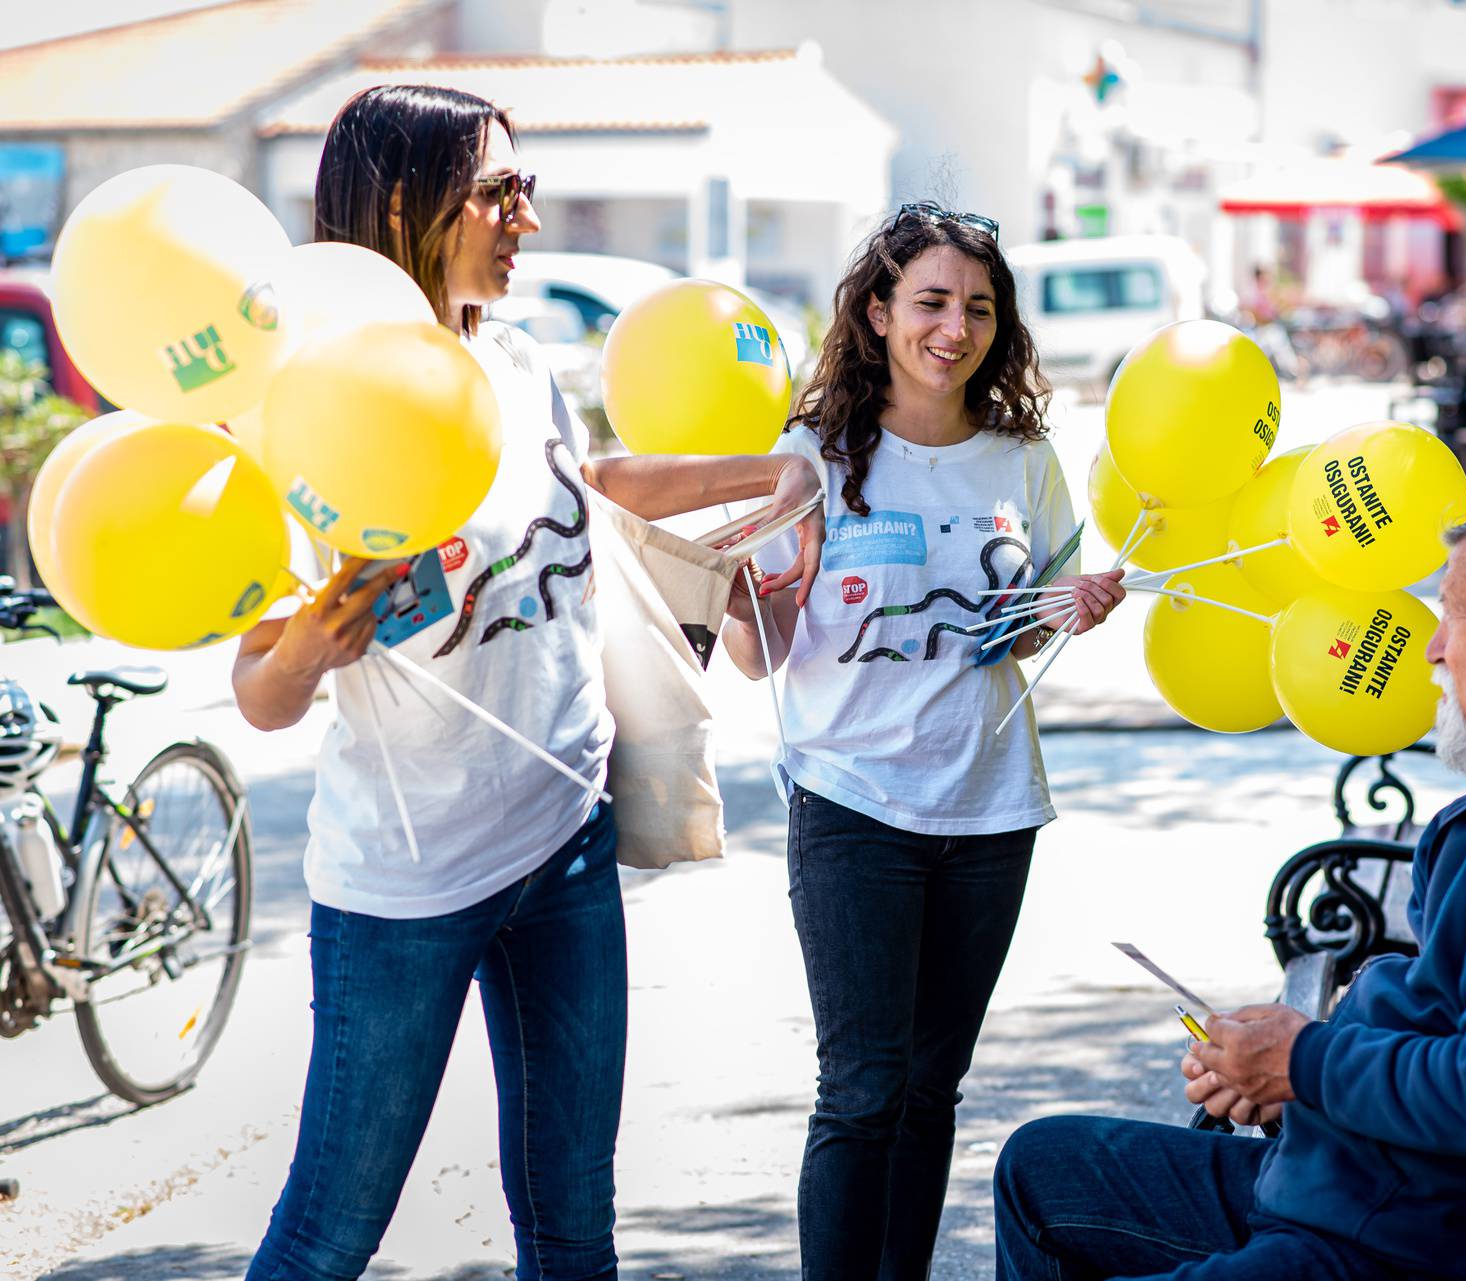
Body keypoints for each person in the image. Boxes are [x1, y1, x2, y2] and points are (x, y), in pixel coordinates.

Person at [234, 84, 821, 1281]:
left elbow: (586, 489)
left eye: (529, 190)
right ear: (405, 204)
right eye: (502, 192)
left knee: (573, 1226)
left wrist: (768, 469)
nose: (527, 220)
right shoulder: (317, 408)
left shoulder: (510, 359)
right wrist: (311, 648)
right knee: (329, 1232)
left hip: (563, 842)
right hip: (406, 885)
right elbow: (260, 689)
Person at [993, 495, 1466, 1281]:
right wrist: (1297, 1081)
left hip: (1416, 1246)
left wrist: (1306, 1063)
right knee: (1038, 1170)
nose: (1432, 648)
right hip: (1369, 1191)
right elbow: (1462, 1026)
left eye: (1454, 617)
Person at [718, 202, 1126, 1281]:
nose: (957, 328)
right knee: (861, 1090)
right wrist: (733, 586)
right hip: (852, 804)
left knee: (931, 1089)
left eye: (980, 308)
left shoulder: (1023, 460)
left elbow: (1026, 620)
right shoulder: (810, 459)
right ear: (877, 310)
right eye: (934, 302)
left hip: (992, 809)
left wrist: (1074, 605)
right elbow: (757, 655)